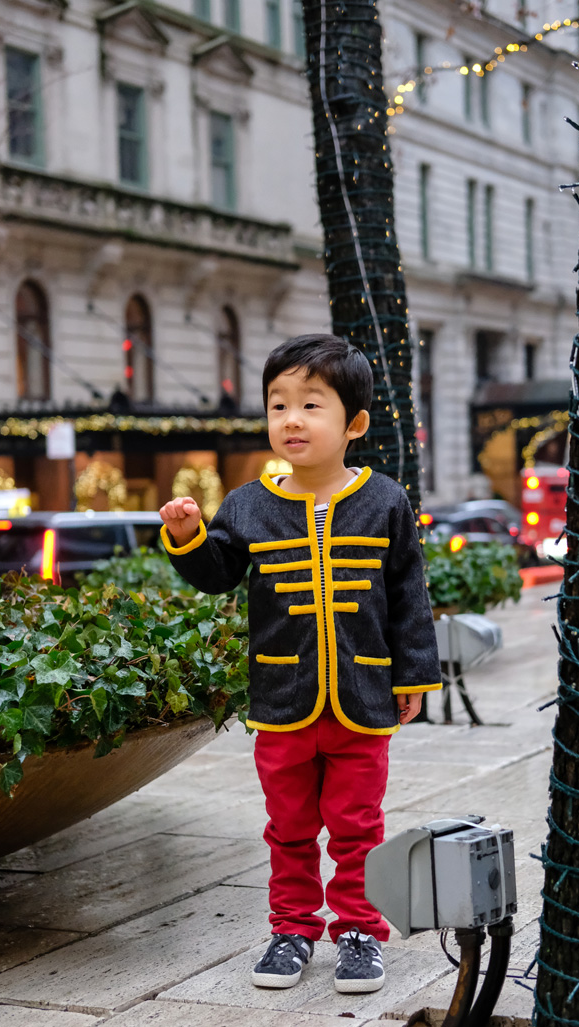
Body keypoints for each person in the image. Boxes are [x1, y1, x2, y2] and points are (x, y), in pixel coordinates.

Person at [159, 333, 441, 994]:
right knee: (288, 827)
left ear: (355, 423)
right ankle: (291, 928)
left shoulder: (385, 501)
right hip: (282, 701)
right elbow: (217, 573)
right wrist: (187, 538)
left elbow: (408, 593)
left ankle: (357, 933)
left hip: (362, 699)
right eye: (278, 403)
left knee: (356, 828)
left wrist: (414, 674)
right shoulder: (247, 503)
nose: (291, 418)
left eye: (311, 404)